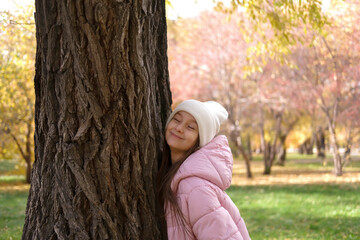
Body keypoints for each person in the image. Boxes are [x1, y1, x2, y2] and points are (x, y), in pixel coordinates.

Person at [157, 99, 251, 240]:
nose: (179, 128)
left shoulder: (196, 188)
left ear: (199, 140)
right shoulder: (176, 176)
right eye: (176, 120)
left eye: (191, 127)